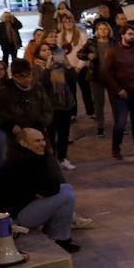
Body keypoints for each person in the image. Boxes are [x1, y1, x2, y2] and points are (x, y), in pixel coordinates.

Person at [0, 128, 82, 253]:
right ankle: (59, 239)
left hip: (13, 212)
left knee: (66, 189)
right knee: (66, 196)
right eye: (37, 141)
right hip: (11, 221)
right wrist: (47, 161)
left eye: (43, 140)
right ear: (23, 143)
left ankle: (58, 236)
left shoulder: (19, 157)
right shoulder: (27, 161)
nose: (43, 144)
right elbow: (50, 189)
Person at [0, 58, 53, 168]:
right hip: (17, 138)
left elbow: (48, 110)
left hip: (39, 134)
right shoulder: (4, 92)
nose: (27, 79)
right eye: (22, 77)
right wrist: (7, 125)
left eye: (29, 75)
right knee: (21, 167)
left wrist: (40, 124)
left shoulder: (37, 87)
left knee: (47, 165)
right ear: (14, 76)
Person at [101, 27, 134, 159]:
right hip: (121, 94)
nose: (132, 36)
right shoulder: (113, 52)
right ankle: (116, 149)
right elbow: (106, 73)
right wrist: (118, 89)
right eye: (130, 34)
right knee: (121, 122)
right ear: (122, 35)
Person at [40, 41, 78, 171]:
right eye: (43, 50)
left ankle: (62, 158)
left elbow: (73, 80)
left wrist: (67, 66)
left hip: (64, 105)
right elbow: (41, 84)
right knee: (50, 135)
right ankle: (52, 160)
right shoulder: (37, 67)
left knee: (64, 134)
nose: (47, 53)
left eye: (49, 51)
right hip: (49, 107)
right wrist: (47, 68)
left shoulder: (60, 66)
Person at [76, 22, 115, 139]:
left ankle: (119, 125)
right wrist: (88, 56)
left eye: (105, 29)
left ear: (109, 31)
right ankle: (100, 127)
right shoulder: (91, 42)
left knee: (115, 102)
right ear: (97, 31)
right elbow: (80, 53)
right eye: (101, 29)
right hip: (96, 76)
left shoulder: (113, 42)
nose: (103, 31)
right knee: (98, 103)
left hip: (112, 76)